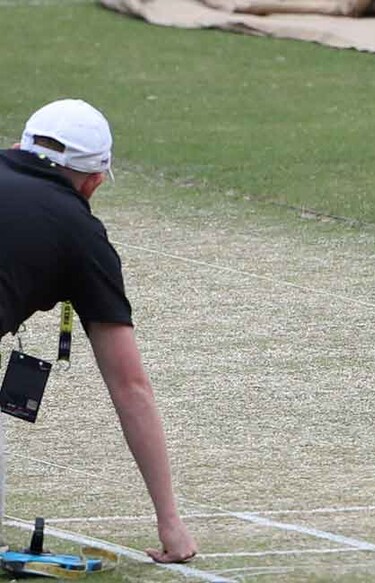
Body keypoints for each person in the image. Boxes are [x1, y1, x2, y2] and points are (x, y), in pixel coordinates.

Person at [0, 99, 198, 562]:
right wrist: (170, 521)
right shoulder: (81, 235)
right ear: (92, 182)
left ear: (19, 146)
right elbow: (131, 388)